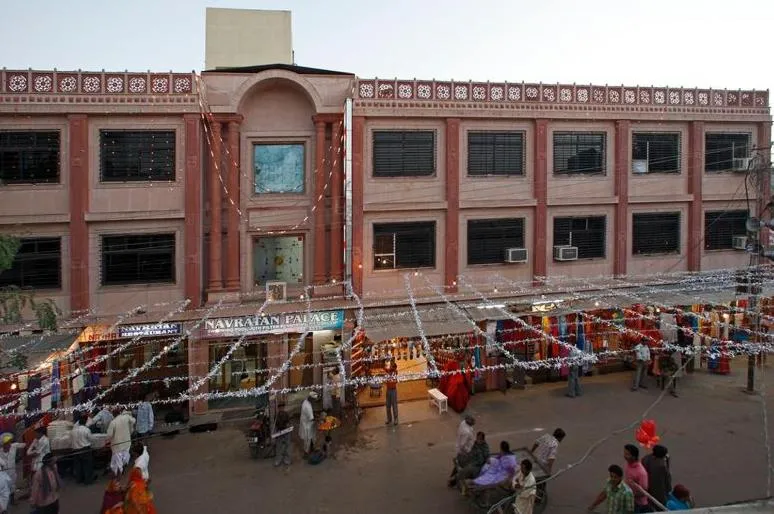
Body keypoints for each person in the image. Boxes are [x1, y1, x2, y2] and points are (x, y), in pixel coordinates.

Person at [120, 443, 157, 513]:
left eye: (133, 452)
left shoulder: (137, 466)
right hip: (144, 480)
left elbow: (134, 500)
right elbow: (144, 446)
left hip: (141, 483)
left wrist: (127, 487)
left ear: (136, 454)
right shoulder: (145, 454)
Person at [448, 415, 476, 487]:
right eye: (473, 421)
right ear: (469, 422)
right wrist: (467, 452)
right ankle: (453, 482)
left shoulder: (463, 423)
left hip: (461, 450)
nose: (474, 422)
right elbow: (462, 445)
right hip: (464, 452)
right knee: (464, 468)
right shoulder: (466, 432)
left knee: (458, 466)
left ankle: (451, 479)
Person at [106, 409, 136, 475]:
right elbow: (134, 420)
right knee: (124, 457)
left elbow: (109, 435)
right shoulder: (126, 417)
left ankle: (118, 472)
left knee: (117, 459)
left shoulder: (113, 422)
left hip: (117, 445)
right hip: (127, 442)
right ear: (120, 412)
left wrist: (106, 441)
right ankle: (120, 468)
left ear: (113, 415)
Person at [641, 445, 671, 509]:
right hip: (658, 491)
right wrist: (669, 489)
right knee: (660, 506)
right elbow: (666, 479)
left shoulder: (646, 458)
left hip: (647, 487)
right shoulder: (661, 466)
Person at [623, 444, 650, 512]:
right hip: (630, 501)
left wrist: (629, 496)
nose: (625, 456)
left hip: (639, 505)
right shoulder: (628, 465)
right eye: (624, 453)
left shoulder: (641, 472)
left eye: (627, 454)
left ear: (634, 456)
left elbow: (644, 491)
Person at [71, 413, 96, 485]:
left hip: (76, 450)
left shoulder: (73, 431)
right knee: (87, 466)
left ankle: (79, 479)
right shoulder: (86, 430)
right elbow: (91, 439)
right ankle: (88, 481)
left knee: (78, 466)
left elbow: (71, 440)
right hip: (85, 450)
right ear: (85, 422)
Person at [299, 392, 317, 458]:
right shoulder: (307, 407)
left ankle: (311, 448)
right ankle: (306, 453)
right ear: (311, 398)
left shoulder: (306, 401)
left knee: (312, 437)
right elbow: (312, 418)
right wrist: (319, 419)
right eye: (314, 400)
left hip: (306, 422)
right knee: (308, 439)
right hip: (307, 425)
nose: (314, 402)